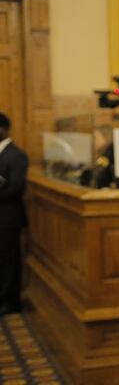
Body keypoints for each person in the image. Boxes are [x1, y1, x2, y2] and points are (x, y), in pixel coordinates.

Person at [0, 113, 28, 315]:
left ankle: (11, 301)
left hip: (9, 217)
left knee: (9, 260)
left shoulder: (16, 155)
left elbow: (16, 188)